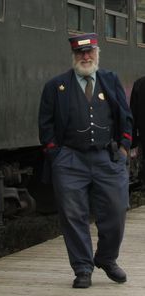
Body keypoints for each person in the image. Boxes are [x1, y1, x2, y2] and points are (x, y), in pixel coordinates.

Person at [38, 33, 133, 288]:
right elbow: (45, 125)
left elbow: (126, 117)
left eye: (89, 52)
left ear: (97, 53)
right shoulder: (55, 86)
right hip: (70, 160)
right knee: (73, 215)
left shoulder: (109, 80)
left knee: (116, 210)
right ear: (74, 55)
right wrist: (55, 154)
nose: (85, 57)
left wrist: (123, 148)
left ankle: (106, 258)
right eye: (80, 53)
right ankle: (82, 268)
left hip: (106, 158)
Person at [130, 77, 145, 182]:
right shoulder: (139, 84)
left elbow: (132, 117)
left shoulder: (139, 84)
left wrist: (133, 144)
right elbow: (132, 117)